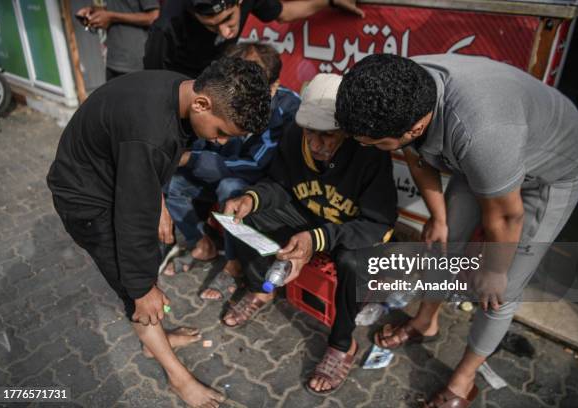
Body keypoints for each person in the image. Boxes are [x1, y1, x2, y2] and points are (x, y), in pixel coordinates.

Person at [335, 53, 578, 407]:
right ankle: (426, 322)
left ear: (414, 127)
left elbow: (506, 217)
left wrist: (494, 269)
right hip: (487, 159)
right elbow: (415, 153)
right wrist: (438, 217)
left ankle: (464, 378)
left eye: (374, 144)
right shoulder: (399, 90)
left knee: (501, 292)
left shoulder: (479, 134)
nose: (365, 149)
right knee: (444, 246)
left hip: (549, 170)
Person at [47, 57, 271, 408]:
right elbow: (132, 218)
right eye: (222, 132)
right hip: (87, 202)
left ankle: (156, 336)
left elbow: (144, 162)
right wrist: (141, 288)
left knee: (142, 274)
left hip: (115, 180)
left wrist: (160, 202)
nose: (222, 143)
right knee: (136, 292)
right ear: (201, 103)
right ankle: (179, 379)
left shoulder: (180, 87)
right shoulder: (151, 131)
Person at [222, 73, 398, 395]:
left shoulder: (370, 152)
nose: (315, 145)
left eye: (326, 136)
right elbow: (280, 185)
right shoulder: (294, 137)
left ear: (345, 130)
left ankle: (343, 345)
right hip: (306, 216)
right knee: (241, 217)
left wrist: (318, 239)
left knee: (353, 265)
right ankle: (261, 288)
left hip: (348, 232)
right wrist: (252, 199)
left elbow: (377, 224)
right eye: (309, 133)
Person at [162, 44, 301, 304]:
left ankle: (233, 263)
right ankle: (201, 243)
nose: (243, 93)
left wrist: (194, 159)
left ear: (272, 86)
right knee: (175, 183)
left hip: (263, 187)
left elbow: (258, 165)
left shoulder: (285, 108)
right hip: (218, 170)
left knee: (230, 189)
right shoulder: (224, 98)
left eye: (254, 85)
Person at [143, 0, 364, 78]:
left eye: (228, 19)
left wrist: (330, 1)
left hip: (215, 73)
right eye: (210, 26)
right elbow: (155, 85)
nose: (224, 32)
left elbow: (284, 12)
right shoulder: (167, 26)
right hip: (179, 80)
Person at [76, 1, 160, 81]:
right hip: (113, 61)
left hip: (136, 63)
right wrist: (93, 11)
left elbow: (153, 17)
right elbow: (122, 7)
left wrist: (112, 17)